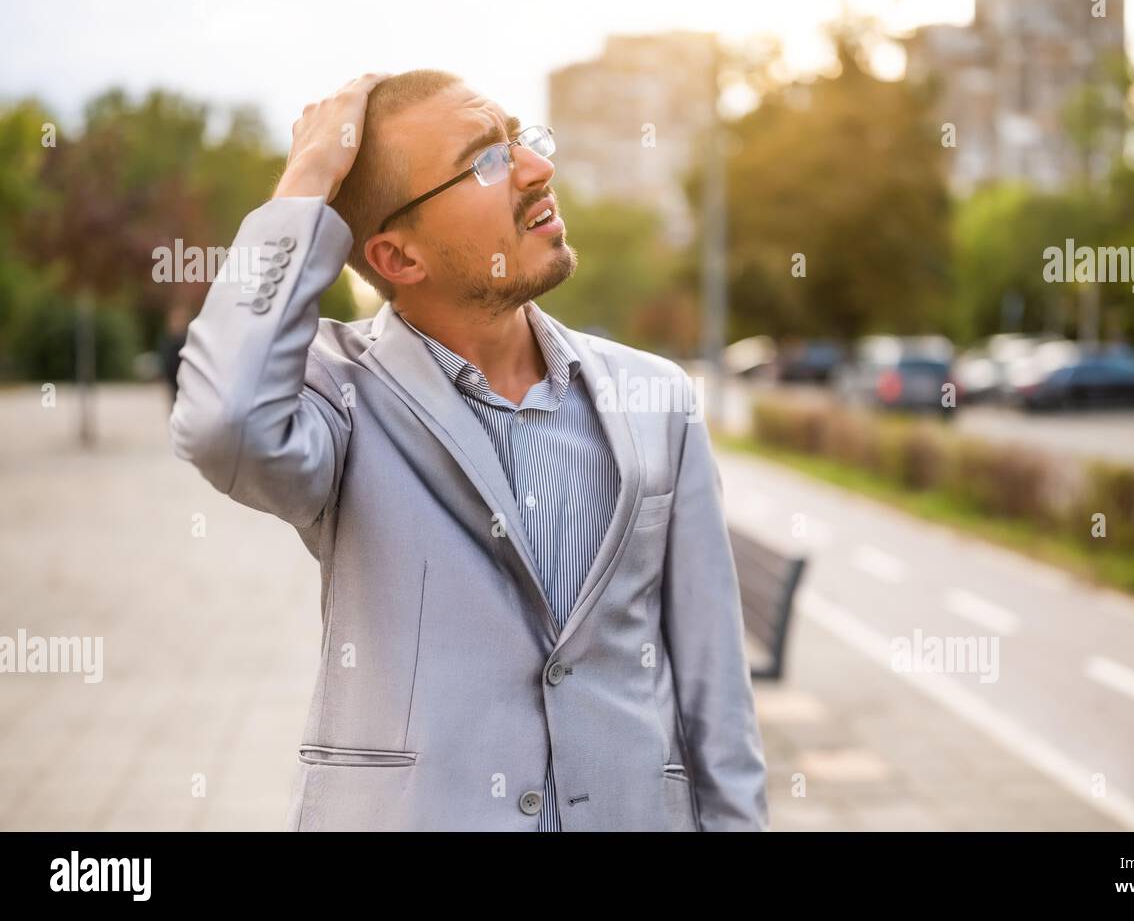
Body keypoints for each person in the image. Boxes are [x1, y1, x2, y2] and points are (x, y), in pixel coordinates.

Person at [169, 71, 768, 831]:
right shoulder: (338, 398)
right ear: (398, 258)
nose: (536, 168)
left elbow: (718, 693)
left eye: (518, 140)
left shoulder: (659, 398)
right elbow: (223, 422)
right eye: (485, 161)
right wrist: (307, 176)